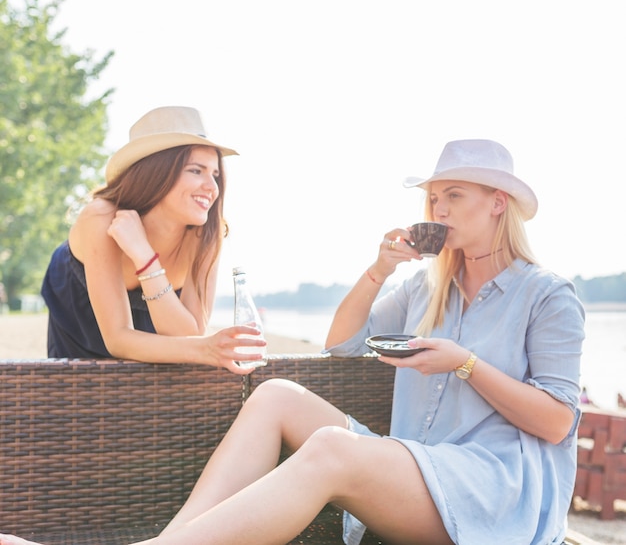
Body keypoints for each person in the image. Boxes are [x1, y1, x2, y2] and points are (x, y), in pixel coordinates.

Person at [1, 139, 585, 545]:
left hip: (493, 495)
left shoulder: (546, 295)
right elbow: (341, 344)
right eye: (433, 198)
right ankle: (172, 541)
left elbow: (558, 423)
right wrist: (379, 269)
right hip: (421, 470)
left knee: (333, 447)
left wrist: (466, 365)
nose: (437, 209)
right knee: (277, 393)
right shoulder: (427, 287)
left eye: (453, 196)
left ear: (497, 204)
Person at [40, 106, 265, 373]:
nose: (212, 187)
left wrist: (144, 256)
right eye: (196, 170)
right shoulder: (101, 219)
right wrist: (205, 348)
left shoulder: (206, 234)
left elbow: (188, 336)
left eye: (215, 175)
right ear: (157, 171)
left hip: (161, 315)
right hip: (79, 308)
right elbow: (118, 338)